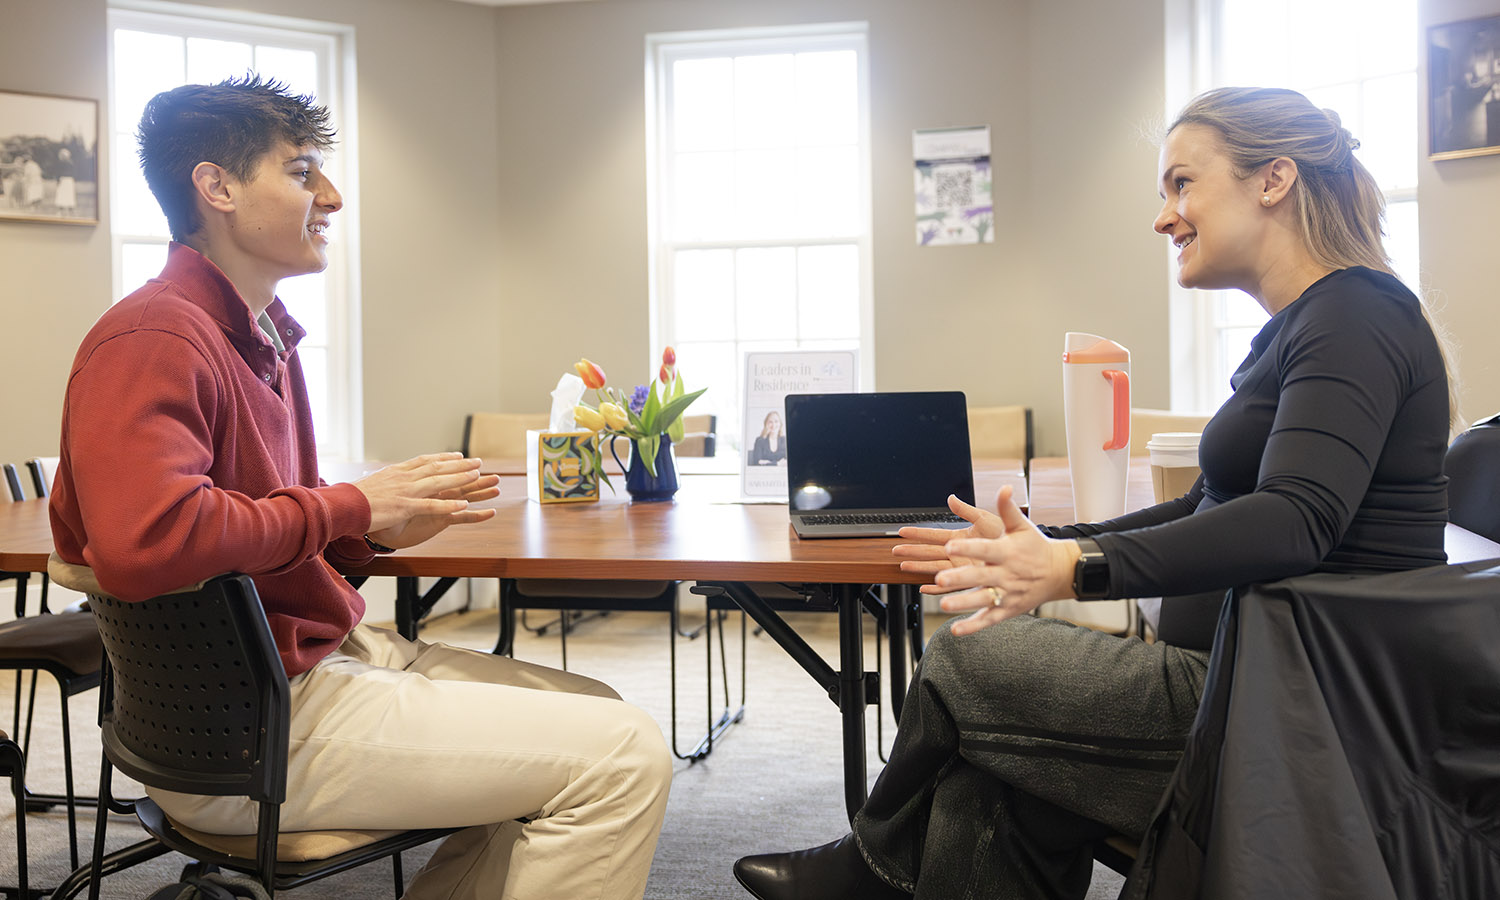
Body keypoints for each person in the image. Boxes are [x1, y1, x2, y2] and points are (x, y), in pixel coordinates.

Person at [733, 85, 1453, 900]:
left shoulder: (1356, 315)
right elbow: (1208, 505)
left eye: (1182, 184)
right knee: (994, 778)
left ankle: (868, 871)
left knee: (970, 659)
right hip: (1236, 682)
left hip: (1295, 721)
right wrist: (1054, 542)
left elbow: (1297, 520)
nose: (1164, 216)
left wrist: (1079, 569)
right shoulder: (1308, 325)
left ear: (1273, 179)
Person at [49, 75, 672, 900]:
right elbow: (148, 542)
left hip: (303, 664)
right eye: (304, 172)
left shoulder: (263, 337)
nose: (333, 196)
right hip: (242, 724)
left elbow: (264, 533)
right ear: (218, 187)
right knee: (622, 756)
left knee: (600, 706)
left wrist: (363, 533)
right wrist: (351, 506)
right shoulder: (152, 336)